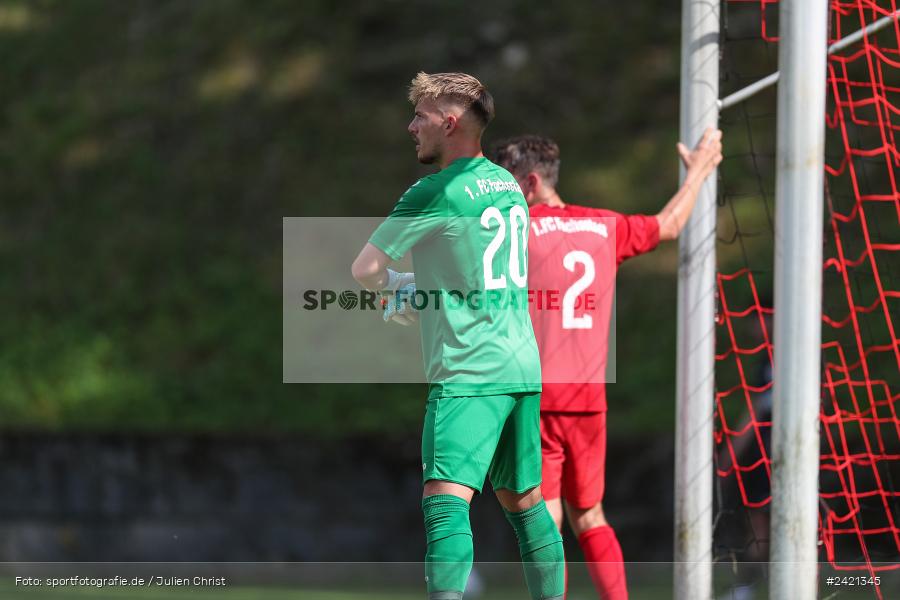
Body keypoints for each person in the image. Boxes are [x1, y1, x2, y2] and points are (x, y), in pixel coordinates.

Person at [351, 72, 565, 600]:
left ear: (449, 123)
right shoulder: (507, 187)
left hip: (470, 370)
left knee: (445, 501)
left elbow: (365, 267)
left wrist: (392, 288)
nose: (410, 126)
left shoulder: (438, 189)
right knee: (526, 504)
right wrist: (422, 286)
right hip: (520, 367)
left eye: (420, 116)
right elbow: (466, 263)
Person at [492, 130, 722, 599]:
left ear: (531, 183)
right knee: (590, 514)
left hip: (535, 398)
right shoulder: (604, 225)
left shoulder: (515, 232)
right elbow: (670, 224)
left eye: (505, 184)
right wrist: (700, 169)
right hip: (589, 401)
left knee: (545, 515)